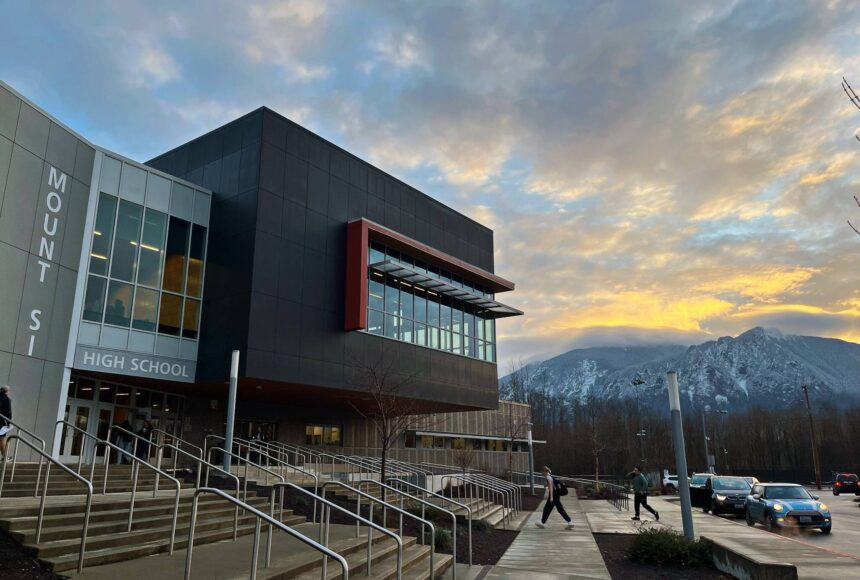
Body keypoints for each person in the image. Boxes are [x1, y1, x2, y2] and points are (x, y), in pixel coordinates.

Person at [0, 386, 12, 461]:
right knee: (2, 439)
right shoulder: (7, 399)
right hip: (1, 421)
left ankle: (4, 456)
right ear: (7, 392)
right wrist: (8, 422)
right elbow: (8, 412)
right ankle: (4, 457)